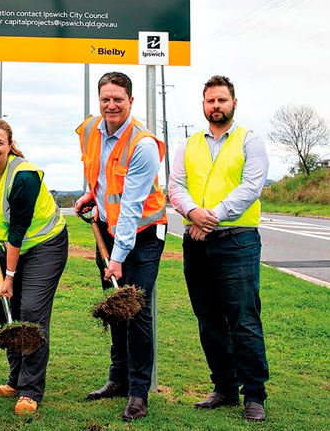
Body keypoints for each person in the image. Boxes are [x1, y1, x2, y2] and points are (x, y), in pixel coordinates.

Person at [168, 75, 270, 423]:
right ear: (203, 105)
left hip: (237, 240)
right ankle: (224, 388)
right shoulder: (189, 144)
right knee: (209, 320)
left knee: (243, 319)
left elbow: (251, 186)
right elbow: (176, 186)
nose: (216, 106)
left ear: (234, 103)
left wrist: (211, 217)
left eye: (222, 100)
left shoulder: (249, 142)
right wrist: (192, 213)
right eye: (211, 101)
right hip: (196, 242)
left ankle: (254, 394)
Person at [73, 72, 168, 422]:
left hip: (143, 233)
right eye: (105, 99)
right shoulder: (90, 130)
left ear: (130, 101)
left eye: (118, 99)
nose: (111, 105)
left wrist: (116, 258)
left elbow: (130, 205)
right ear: (99, 101)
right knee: (115, 309)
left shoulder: (142, 144)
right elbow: (99, 174)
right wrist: (90, 194)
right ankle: (117, 379)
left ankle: (138, 392)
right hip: (109, 230)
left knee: (136, 310)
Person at [0, 118, 68, 415]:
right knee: (5, 308)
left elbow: (19, 229)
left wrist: (10, 276)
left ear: (9, 145)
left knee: (31, 313)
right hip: (11, 244)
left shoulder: (25, 176)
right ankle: (15, 380)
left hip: (45, 245)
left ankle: (30, 390)